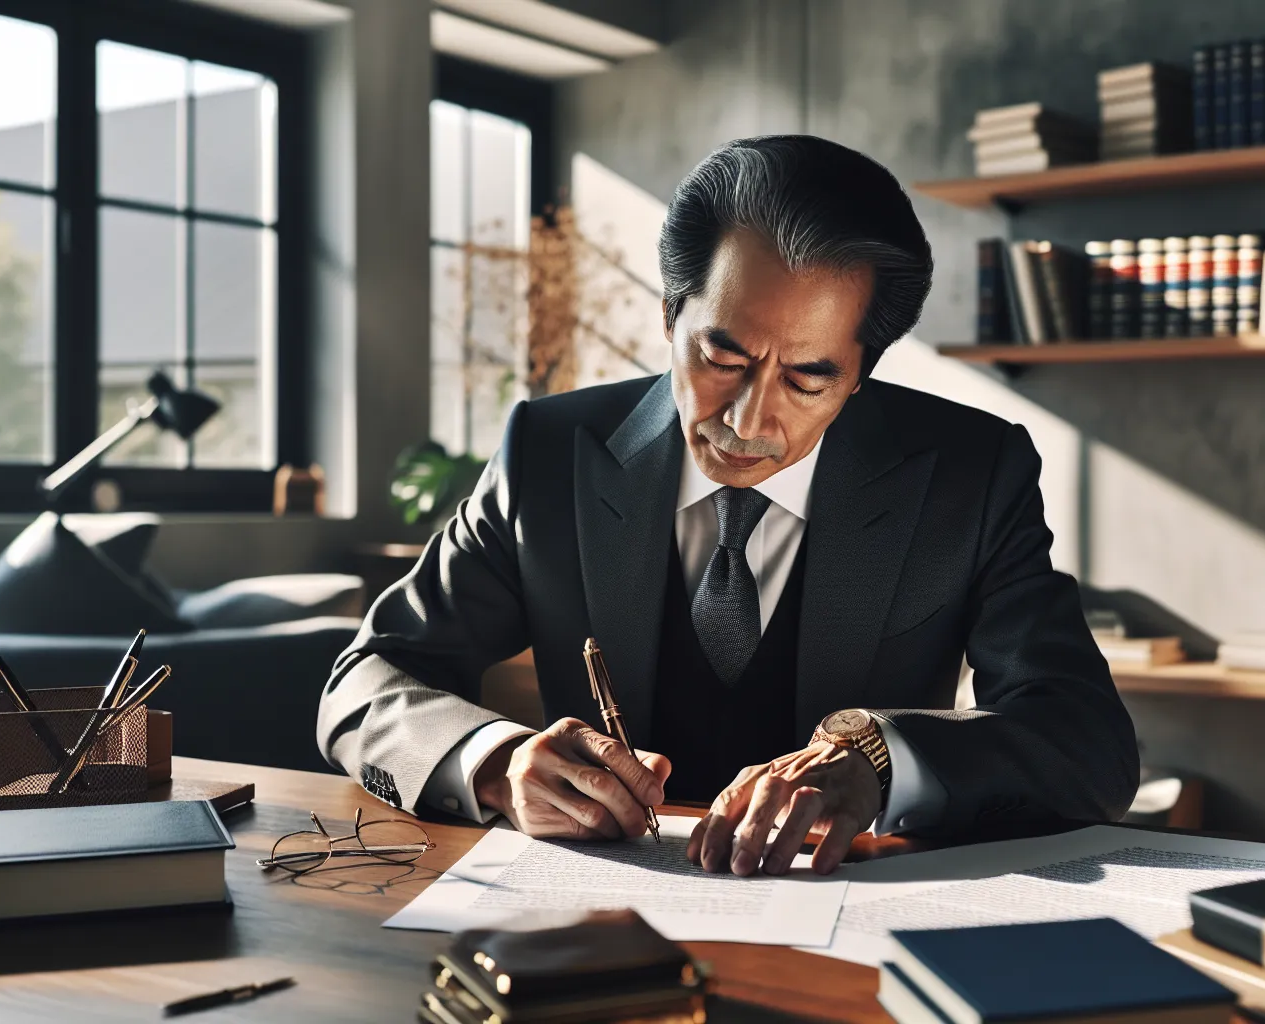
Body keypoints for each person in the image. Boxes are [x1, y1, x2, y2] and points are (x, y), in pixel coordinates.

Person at [317, 135, 1138, 877]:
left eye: (809, 378)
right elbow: (367, 681)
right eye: (721, 354)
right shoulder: (548, 453)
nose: (747, 422)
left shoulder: (970, 474)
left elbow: (1088, 745)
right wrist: (496, 763)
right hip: (599, 922)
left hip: (854, 924)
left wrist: (885, 757)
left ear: (861, 374)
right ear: (671, 316)